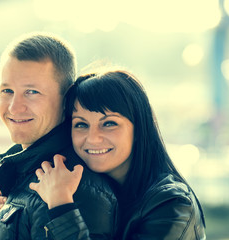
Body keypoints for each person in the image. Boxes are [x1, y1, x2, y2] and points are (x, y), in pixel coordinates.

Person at [0, 33, 117, 239]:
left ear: (67, 98)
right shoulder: (28, 167)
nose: (14, 107)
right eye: (7, 90)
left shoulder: (72, 186)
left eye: (31, 92)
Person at [29, 70, 207, 239]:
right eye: (81, 124)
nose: (93, 138)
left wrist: (61, 204)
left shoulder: (172, 205)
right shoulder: (86, 191)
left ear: (139, 129)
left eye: (109, 123)